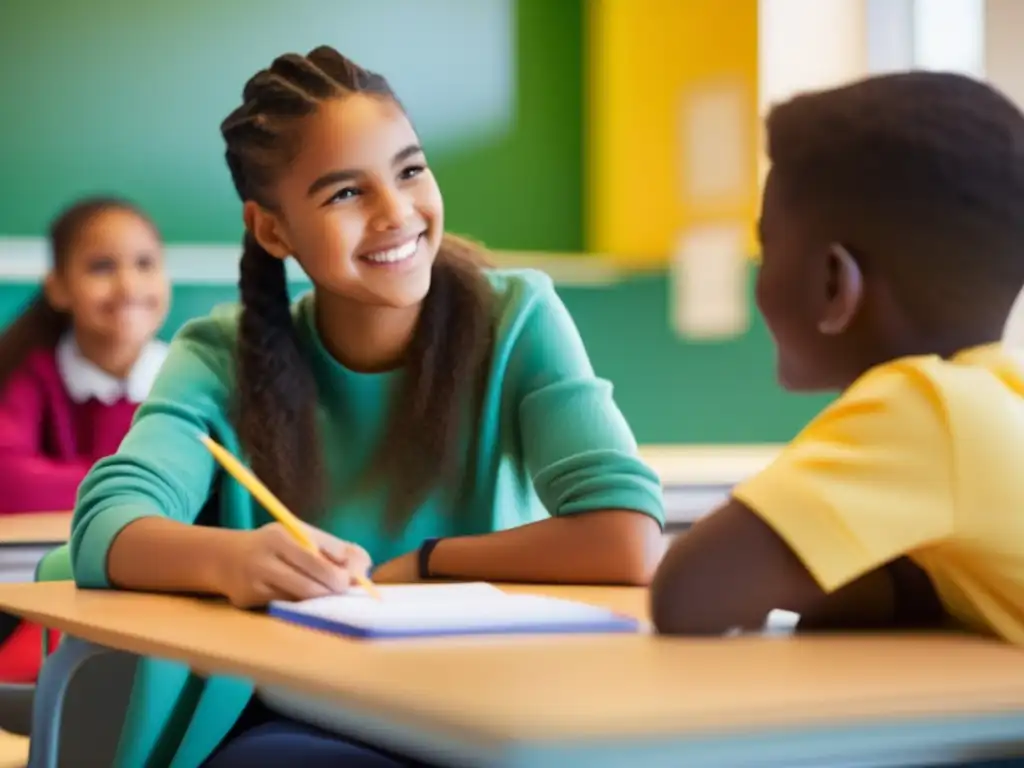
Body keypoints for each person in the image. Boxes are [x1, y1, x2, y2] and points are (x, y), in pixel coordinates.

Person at [69, 46, 664, 768]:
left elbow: (627, 539)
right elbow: (106, 525)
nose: (395, 214)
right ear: (273, 231)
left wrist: (423, 564)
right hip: (301, 714)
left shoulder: (518, 317)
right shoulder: (218, 353)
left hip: (484, 704)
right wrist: (235, 560)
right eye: (345, 193)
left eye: (410, 170)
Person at [650, 71, 1024, 643]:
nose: (760, 278)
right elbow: (902, 595)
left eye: (766, 248)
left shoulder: (925, 405)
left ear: (833, 283)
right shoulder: (999, 393)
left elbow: (689, 593)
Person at [0, 197, 169, 683]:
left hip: (134, 586)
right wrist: (126, 486)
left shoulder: (185, 379)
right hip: (29, 585)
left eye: (145, 263)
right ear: (58, 287)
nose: (128, 285)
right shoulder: (28, 372)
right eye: (101, 266)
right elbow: (10, 484)